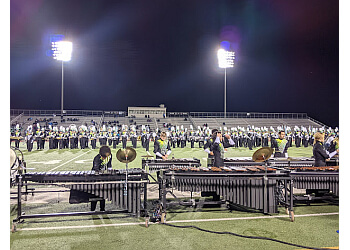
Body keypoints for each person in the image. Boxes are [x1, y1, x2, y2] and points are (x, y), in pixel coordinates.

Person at [90, 146, 112, 211]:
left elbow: (109, 165)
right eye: (104, 157)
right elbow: (96, 170)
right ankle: (92, 209)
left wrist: (109, 171)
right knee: (95, 193)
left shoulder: (109, 156)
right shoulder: (97, 158)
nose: (105, 158)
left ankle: (102, 209)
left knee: (103, 193)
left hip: (104, 176)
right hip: (96, 177)